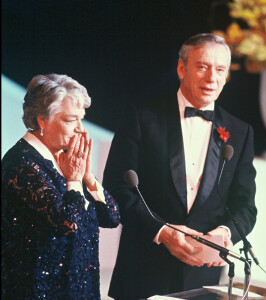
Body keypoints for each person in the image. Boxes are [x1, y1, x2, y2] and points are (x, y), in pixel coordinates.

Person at [103, 33, 257, 299]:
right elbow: (116, 187)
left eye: (220, 69)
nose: (212, 78)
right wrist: (162, 232)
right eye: (202, 66)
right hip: (143, 275)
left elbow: (245, 206)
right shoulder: (142, 117)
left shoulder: (240, 132)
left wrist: (222, 234)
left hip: (203, 281)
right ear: (181, 68)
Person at [1, 74, 120, 299]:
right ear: (41, 121)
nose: (81, 129)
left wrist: (88, 178)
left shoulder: (68, 161)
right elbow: (68, 223)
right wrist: (73, 180)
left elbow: (111, 217)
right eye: (70, 120)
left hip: (80, 290)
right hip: (39, 292)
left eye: (81, 119)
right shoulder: (21, 163)